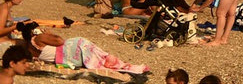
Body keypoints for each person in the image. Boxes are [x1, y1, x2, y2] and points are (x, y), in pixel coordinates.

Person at [17, 21, 148, 75]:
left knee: (95, 53)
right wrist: (48, 33)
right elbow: (60, 40)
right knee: (90, 48)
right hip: (70, 52)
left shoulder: (29, 46)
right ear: (34, 32)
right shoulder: (38, 38)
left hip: (65, 59)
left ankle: (112, 62)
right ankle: (117, 64)